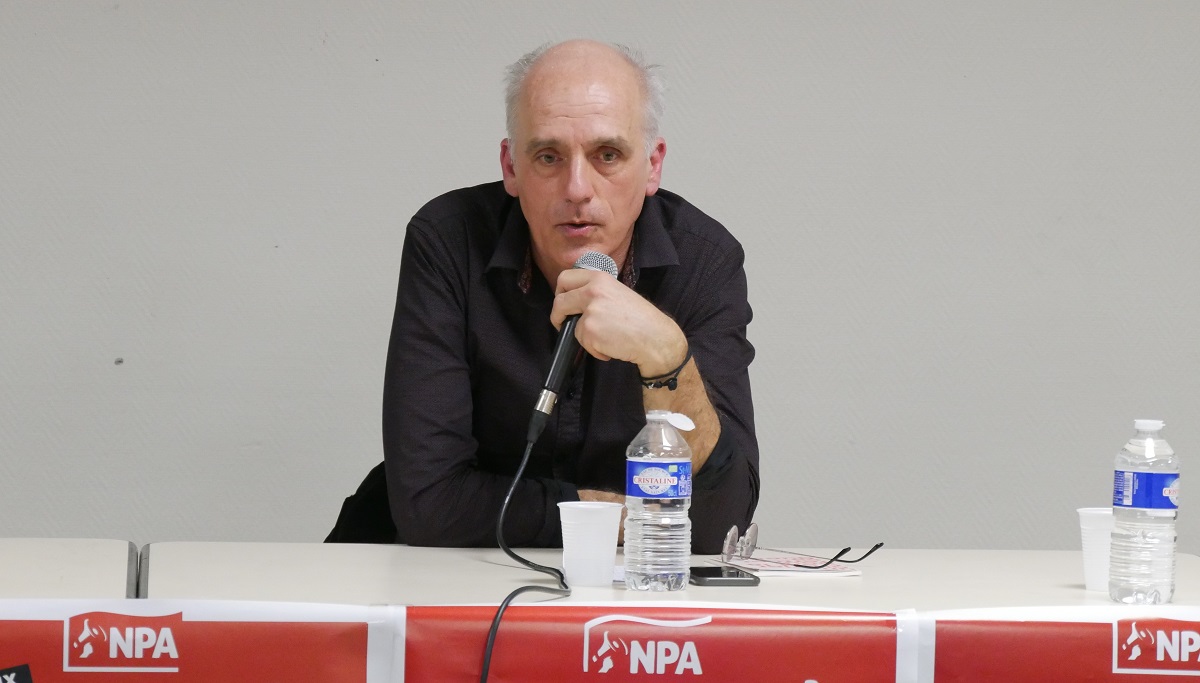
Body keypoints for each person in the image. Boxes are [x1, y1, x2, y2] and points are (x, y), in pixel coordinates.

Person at [381, 39, 757, 554]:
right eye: (548, 156)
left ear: (652, 165)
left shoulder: (704, 262)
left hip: (631, 584)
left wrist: (668, 357)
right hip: (455, 572)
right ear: (511, 167)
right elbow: (430, 505)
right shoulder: (449, 242)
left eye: (608, 155)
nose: (577, 188)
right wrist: (628, 518)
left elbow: (720, 522)